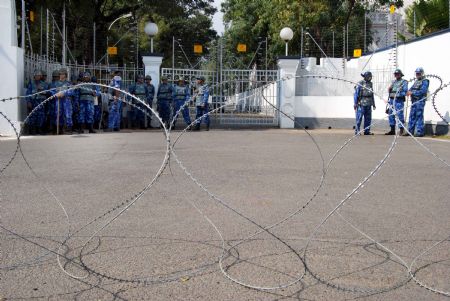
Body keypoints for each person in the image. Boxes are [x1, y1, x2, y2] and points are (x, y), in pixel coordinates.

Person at [404, 67, 429, 137]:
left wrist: (412, 93)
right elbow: (411, 89)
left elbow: (423, 91)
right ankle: (410, 131)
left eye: (418, 73)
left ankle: (419, 132)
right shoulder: (416, 81)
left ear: (422, 73)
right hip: (414, 101)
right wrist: (408, 92)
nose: (417, 75)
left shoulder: (425, 81)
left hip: (420, 101)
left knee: (419, 115)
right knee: (412, 115)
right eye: (416, 73)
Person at [385, 69, 408, 135]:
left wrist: (397, 94)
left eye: (397, 74)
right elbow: (391, 91)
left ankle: (401, 129)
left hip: (398, 100)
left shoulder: (404, 82)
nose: (396, 75)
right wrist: (389, 90)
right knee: (391, 114)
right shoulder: (394, 82)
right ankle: (392, 130)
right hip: (392, 100)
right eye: (395, 74)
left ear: (400, 74)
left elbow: (405, 92)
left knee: (399, 115)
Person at [354, 71, 376, 135]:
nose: (371, 78)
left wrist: (374, 104)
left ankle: (367, 131)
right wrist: (355, 103)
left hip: (369, 103)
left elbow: (372, 94)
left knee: (368, 118)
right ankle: (357, 131)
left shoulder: (370, 84)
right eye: (370, 77)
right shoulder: (360, 83)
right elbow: (356, 94)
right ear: (366, 77)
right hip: (361, 103)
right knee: (359, 117)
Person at [26, 71, 47, 135]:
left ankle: (39, 129)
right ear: (34, 76)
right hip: (33, 102)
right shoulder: (31, 84)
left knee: (41, 116)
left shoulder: (44, 84)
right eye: (36, 75)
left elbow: (47, 92)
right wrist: (28, 102)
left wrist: (42, 91)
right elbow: (28, 94)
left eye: (39, 76)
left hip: (41, 102)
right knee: (33, 116)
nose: (38, 77)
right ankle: (33, 130)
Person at [54, 68, 75, 134]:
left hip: (67, 101)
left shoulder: (69, 83)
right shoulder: (56, 84)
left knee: (68, 114)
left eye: (63, 74)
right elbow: (51, 91)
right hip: (59, 100)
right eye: (60, 74)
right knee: (58, 114)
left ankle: (69, 129)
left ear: (65, 75)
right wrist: (56, 94)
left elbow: (72, 92)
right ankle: (59, 129)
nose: (61, 75)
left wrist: (64, 93)